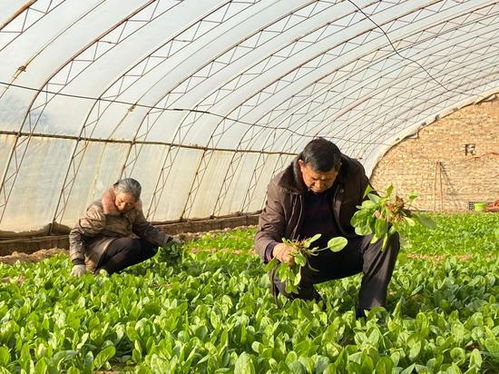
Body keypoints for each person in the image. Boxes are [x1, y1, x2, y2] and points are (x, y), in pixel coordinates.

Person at [255, 138, 400, 317]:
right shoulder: (282, 187)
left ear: (337, 169)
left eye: (327, 180)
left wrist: (383, 211)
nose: (319, 186)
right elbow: (264, 236)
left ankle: (370, 312)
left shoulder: (353, 173)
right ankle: (323, 312)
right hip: (307, 258)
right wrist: (278, 249)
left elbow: (373, 202)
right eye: (314, 179)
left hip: (345, 250)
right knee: (283, 277)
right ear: (301, 166)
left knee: (385, 235)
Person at [69, 178, 178, 276]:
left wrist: (167, 240)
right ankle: (100, 272)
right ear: (115, 195)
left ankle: (107, 269)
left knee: (151, 246)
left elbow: (144, 229)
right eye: (120, 201)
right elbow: (77, 233)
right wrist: (78, 262)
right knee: (131, 245)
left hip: (116, 246)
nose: (123, 206)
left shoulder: (134, 211)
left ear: (135, 202)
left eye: (129, 204)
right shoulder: (99, 210)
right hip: (95, 252)